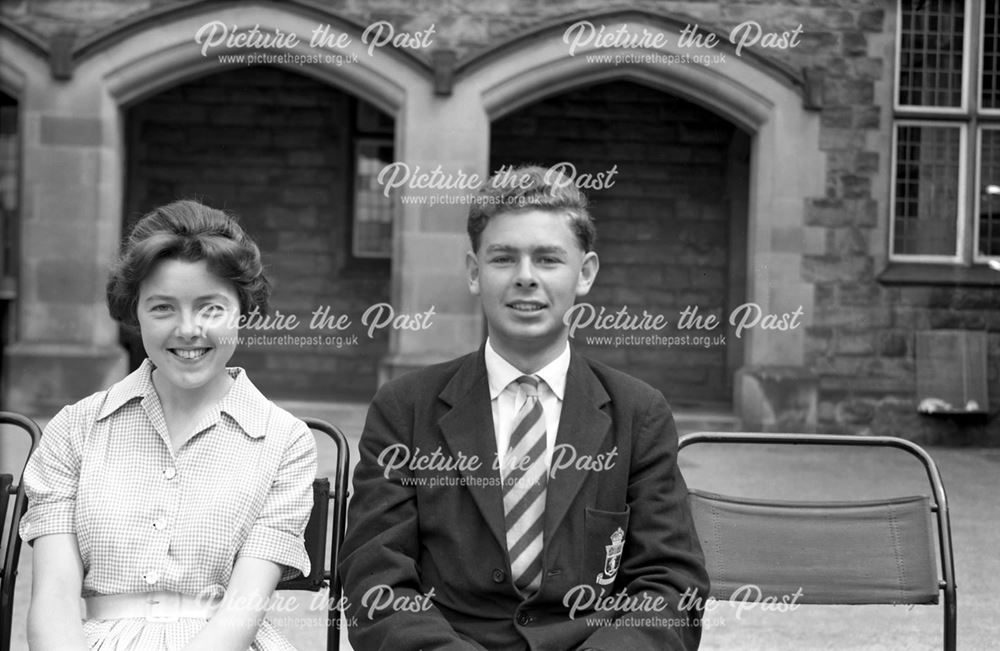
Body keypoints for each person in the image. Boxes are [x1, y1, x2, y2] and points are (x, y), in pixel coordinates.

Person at [339, 165, 709, 650]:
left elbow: (669, 586)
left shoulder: (638, 414)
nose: (525, 278)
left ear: (586, 273)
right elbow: (375, 580)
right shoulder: (404, 410)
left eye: (549, 259)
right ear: (475, 272)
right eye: (503, 258)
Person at [20, 200, 317, 650]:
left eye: (211, 308)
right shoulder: (74, 429)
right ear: (134, 311)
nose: (188, 329)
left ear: (243, 309)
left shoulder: (285, 442)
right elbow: (54, 599)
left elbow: (242, 612)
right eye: (162, 308)